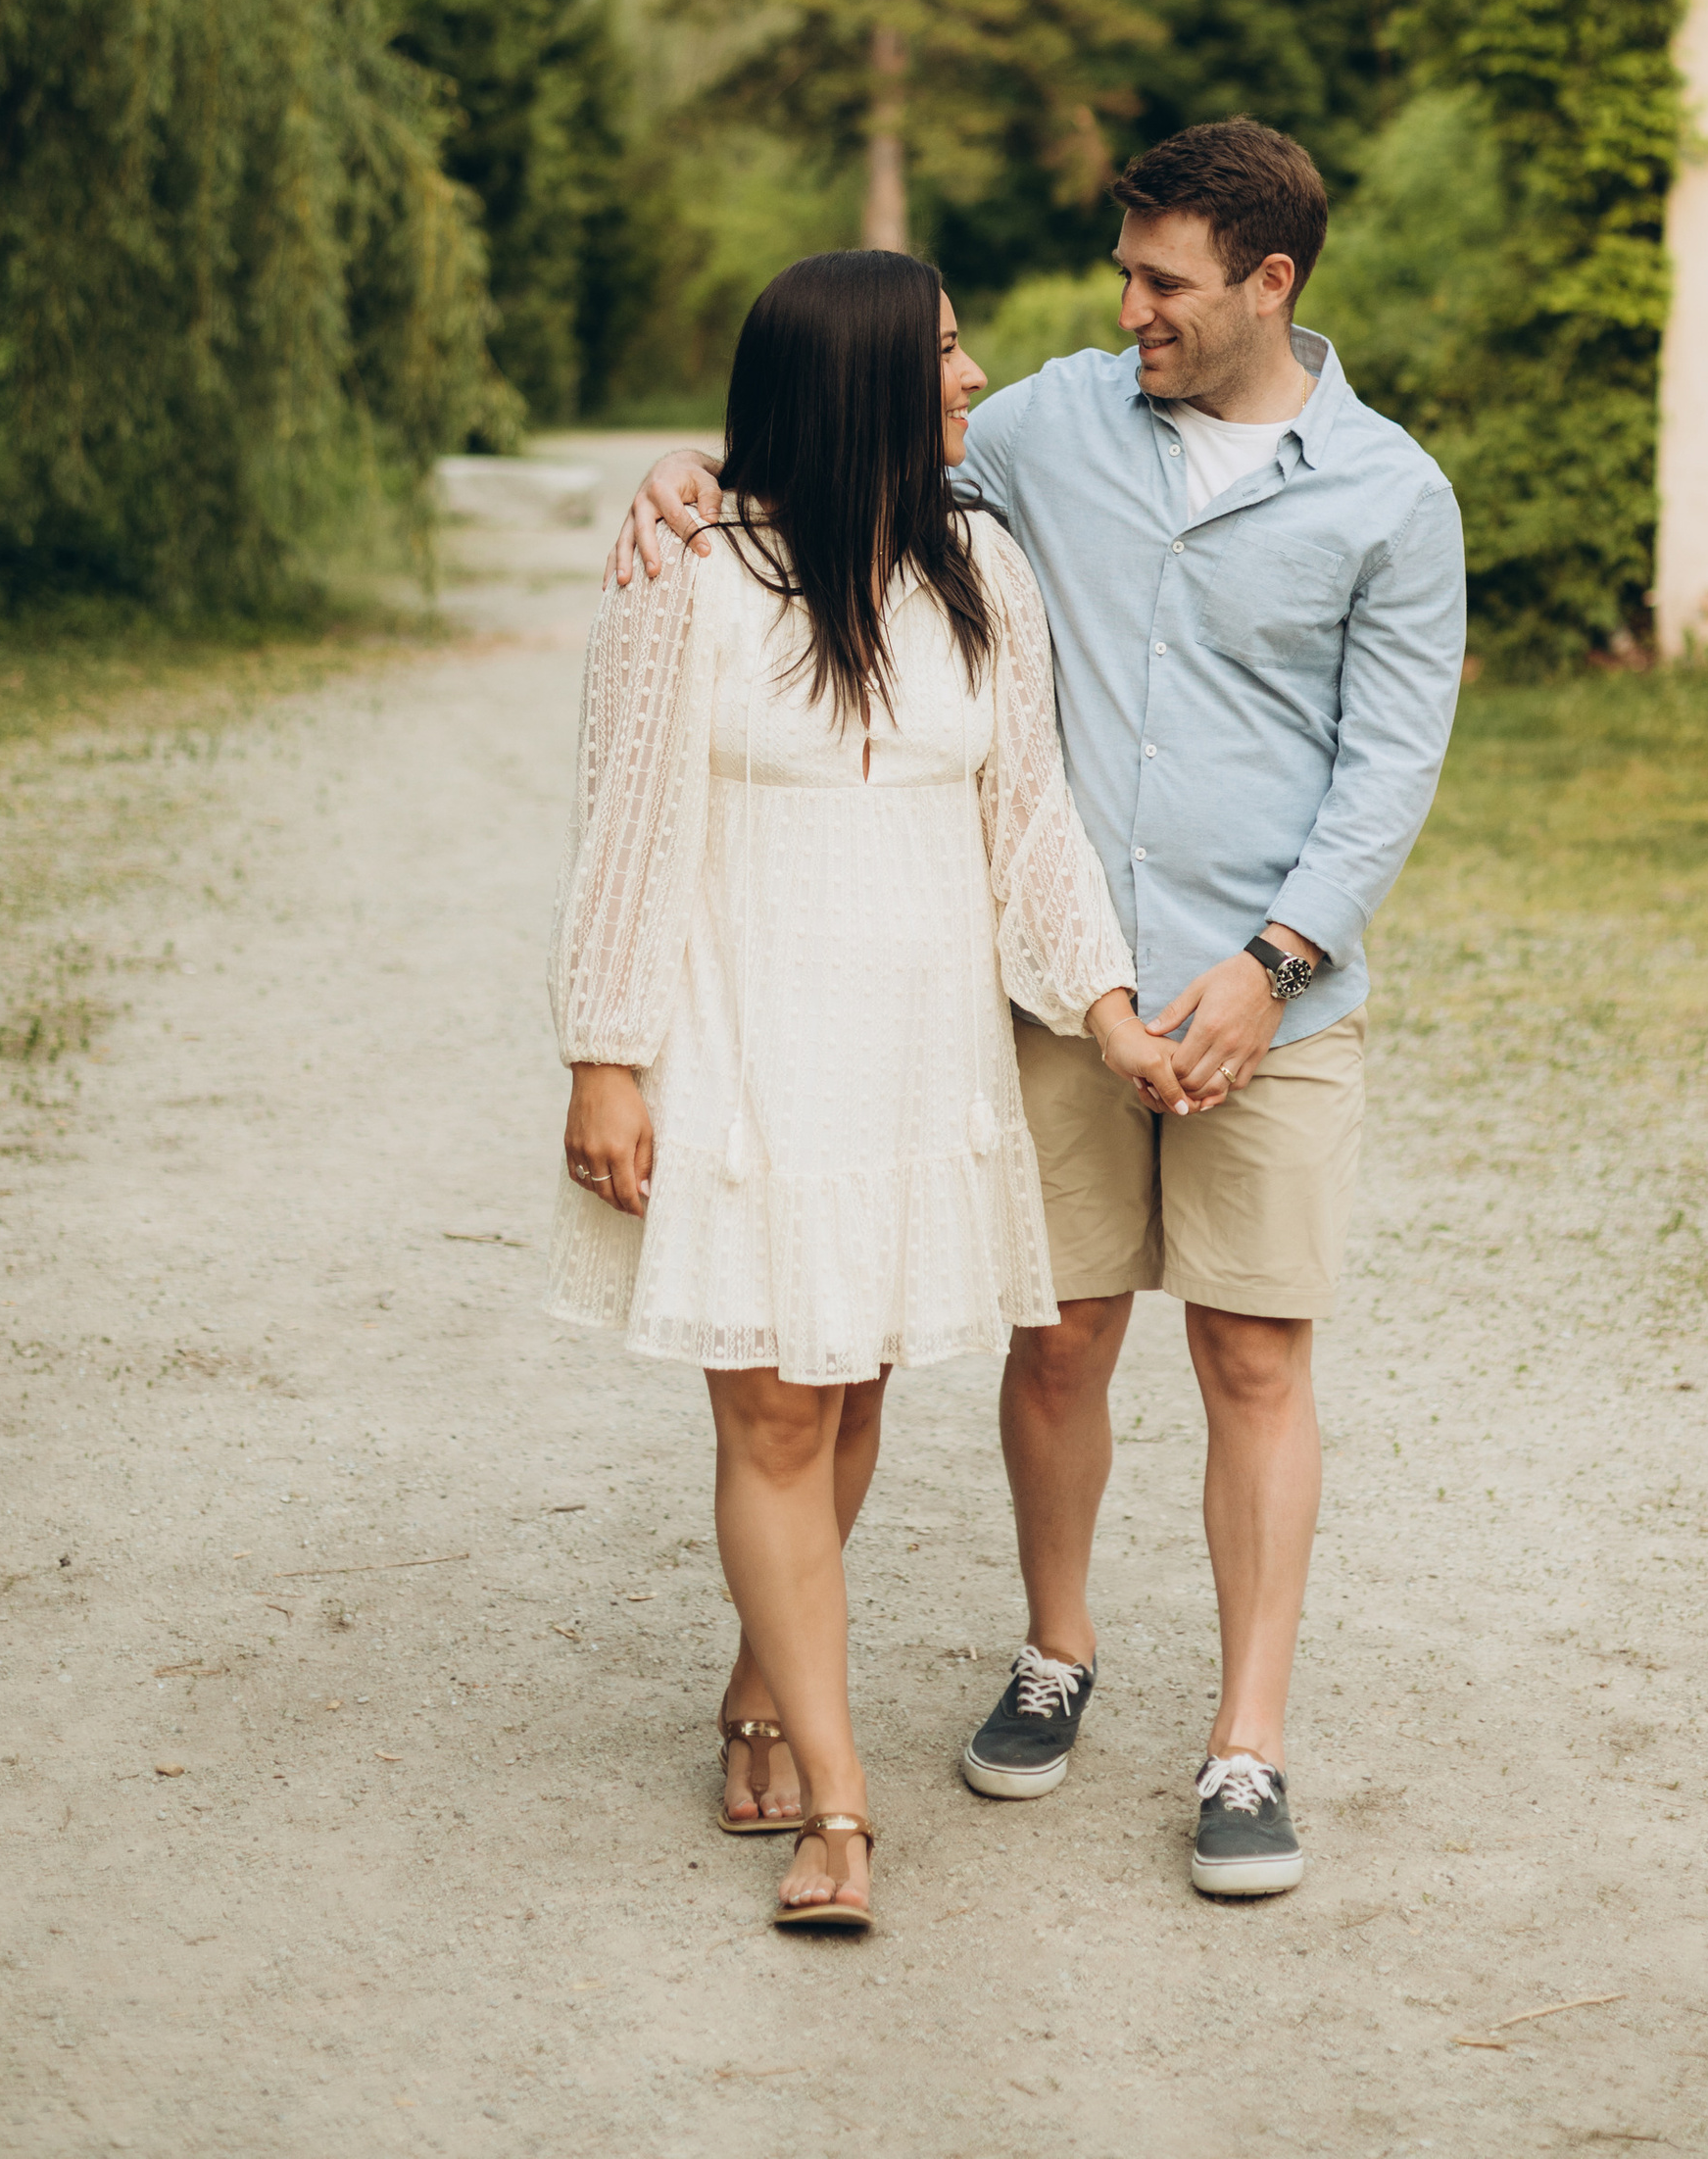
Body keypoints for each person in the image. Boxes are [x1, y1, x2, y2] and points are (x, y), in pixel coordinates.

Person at [615, 118, 1468, 1900]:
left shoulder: (1393, 495)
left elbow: (1388, 772)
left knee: (1252, 1353)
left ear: (1270, 284)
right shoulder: (1046, 427)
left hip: (1272, 998)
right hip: (1058, 994)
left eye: (1163, 282)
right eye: (1126, 273)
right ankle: (1055, 1650)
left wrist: (1273, 966)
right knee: (1060, 1337)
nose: (1128, 309)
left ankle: (1248, 1747)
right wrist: (687, 473)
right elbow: (831, 441)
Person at [549, 249, 1187, 1938]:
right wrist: (603, 1056)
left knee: (847, 1393)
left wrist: (1111, 1017)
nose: (973, 380)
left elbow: (1031, 820)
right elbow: (620, 826)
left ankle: (765, 1672)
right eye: (949, 354)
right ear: (861, 387)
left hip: (913, 1053)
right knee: (769, 1407)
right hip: (745, 1029)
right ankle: (840, 1799)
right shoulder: (687, 575)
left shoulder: (982, 566)